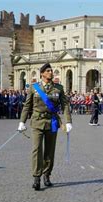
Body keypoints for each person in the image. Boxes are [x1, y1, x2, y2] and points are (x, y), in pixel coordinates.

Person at [17, 63, 72, 191]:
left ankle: (47, 175)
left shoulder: (58, 88)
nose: (51, 72)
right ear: (42, 73)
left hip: (52, 122)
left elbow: (65, 105)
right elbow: (27, 106)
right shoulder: (33, 88)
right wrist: (22, 122)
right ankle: (36, 177)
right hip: (37, 121)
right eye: (48, 71)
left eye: (51, 70)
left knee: (49, 151)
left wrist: (68, 121)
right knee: (36, 150)